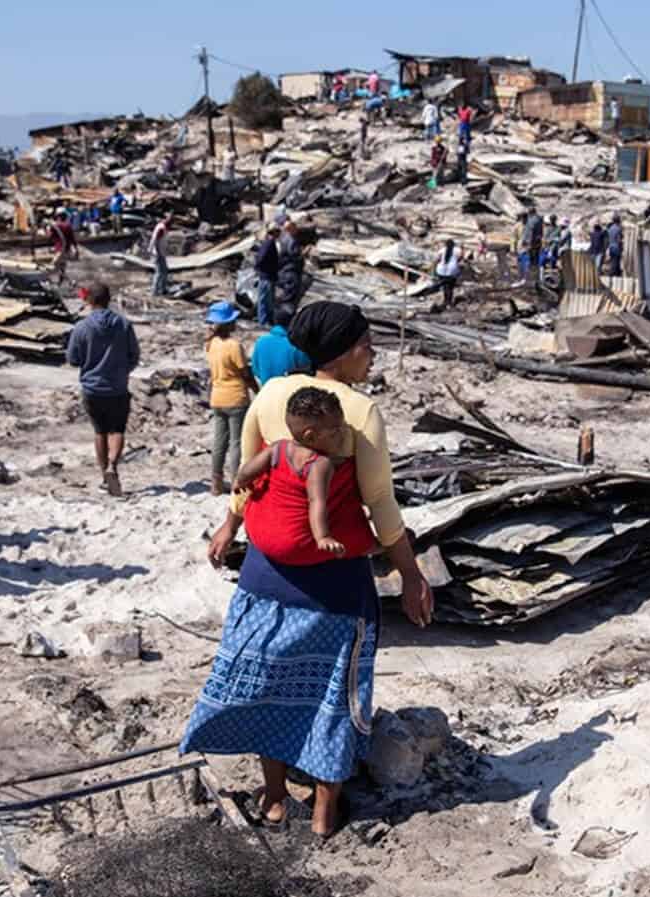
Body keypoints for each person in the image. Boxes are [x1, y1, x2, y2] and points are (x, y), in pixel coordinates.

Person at [182, 301, 434, 840]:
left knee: (269, 684)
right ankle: (324, 811)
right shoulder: (360, 412)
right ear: (343, 352)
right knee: (333, 692)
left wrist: (229, 526)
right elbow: (381, 504)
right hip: (335, 579)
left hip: (266, 572)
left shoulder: (272, 394)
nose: (373, 354)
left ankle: (274, 798)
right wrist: (411, 574)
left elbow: (246, 477)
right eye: (367, 344)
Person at [234, 386, 370, 558]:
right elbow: (317, 502)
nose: (343, 435)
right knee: (356, 537)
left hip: (256, 533)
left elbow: (247, 471)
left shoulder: (278, 447)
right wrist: (323, 537)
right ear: (310, 436)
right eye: (336, 431)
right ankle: (374, 547)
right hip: (292, 544)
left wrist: (239, 481)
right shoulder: (320, 464)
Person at [67, 282, 140, 497]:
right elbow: (134, 355)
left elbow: (73, 358)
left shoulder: (81, 327)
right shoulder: (124, 324)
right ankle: (113, 466)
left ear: (89, 300)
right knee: (117, 430)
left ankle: (103, 475)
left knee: (99, 431)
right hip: (117, 387)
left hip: (92, 388)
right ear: (109, 299)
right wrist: (123, 370)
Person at [205, 301, 256, 495]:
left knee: (219, 441)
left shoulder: (211, 344)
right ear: (227, 324)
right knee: (236, 442)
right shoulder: (234, 346)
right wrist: (256, 389)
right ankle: (237, 480)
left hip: (217, 397)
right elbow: (245, 373)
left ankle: (215, 482)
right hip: (235, 397)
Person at [250, 303, 311, 386]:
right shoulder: (297, 344)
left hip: (267, 390)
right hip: (289, 392)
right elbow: (307, 370)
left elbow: (255, 369)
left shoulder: (261, 341)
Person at [254, 224, 280, 326]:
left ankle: (267, 321)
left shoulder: (269, 242)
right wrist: (261, 269)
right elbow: (260, 258)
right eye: (278, 231)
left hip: (268, 276)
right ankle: (263, 323)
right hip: (266, 276)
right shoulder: (269, 243)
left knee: (268, 301)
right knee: (264, 301)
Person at [277, 221, 304, 306]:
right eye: (295, 228)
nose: (297, 230)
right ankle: (286, 306)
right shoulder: (291, 241)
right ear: (291, 229)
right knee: (291, 288)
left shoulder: (283, 238)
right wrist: (303, 254)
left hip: (284, 267)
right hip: (290, 268)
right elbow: (294, 255)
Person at [49, 209, 79, 285]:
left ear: (58, 217)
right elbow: (73, 239)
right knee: (62, 267)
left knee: (52, 267)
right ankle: (60, 283)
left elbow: (50, 236)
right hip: (66, 250)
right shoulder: (68, 226)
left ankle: (69, 281)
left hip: (60, 250)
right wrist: (76, 249)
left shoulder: (55, 226)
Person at [149, 213, 173, 296]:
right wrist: (158, 252)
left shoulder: (163, 227)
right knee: (159, 272)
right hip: (158, 253)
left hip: (160, 253)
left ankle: (162, 289)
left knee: (164, 271)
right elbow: (155, 240)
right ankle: (154, 291)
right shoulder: (161, 228)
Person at [435, 239, 462, 308]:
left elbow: (437, 259)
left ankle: (445, 301)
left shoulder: (442, 250)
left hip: (441, 271)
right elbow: (460, 258)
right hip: (452, 271)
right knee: (450, 287)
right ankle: (449, 302)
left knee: (445, 287)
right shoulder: (457, 250)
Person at [523, 208, 544, 280]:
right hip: (537, 243)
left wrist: (526, 242)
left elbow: (530, 232)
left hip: (532, 243)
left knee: (532, 261)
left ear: (530, 212)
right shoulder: (539, 219)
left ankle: (532, 278)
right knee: (536, 260)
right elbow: (541, 233)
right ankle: (536, 278)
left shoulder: (532, 220)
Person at [512, 212, 530, 281]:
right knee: (519, 263)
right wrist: (513, 248)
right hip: (520, 247)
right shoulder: (517, 226)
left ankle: (525, 278)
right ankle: (520, 278)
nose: (524, 220)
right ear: (521, 218)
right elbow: (514, 237)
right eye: (523, 218)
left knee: (526, 263)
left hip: (528, 247)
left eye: (526, 218)